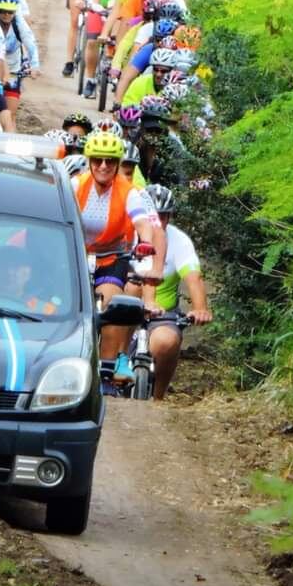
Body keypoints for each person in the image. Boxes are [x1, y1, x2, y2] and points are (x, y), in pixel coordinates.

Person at [73, 130, 164, 394]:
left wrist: (145, 243)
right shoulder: (76, 184)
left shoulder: (130, 191)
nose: (103, 166)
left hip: (112, 257)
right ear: (90, 161)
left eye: (110, 161)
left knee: (113, 302)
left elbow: (143, 221)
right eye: (98, 160)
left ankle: (106, 370)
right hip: (76, 256)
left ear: (117, 164)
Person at [135, 185, 212, 400]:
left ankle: (158, 398)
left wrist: (200, 308)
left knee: (167, 342)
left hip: (162, 315)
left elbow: (193, 277)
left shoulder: (179, 240)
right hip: (124, 310)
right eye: (152, 216)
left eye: (163, 217)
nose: (157, 223)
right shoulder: (124, 233)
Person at [0, 0, 39, 116]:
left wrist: (35, 65)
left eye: (10, 12)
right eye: (3, 11)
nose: (7, 15)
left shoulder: (18, 23)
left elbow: (30, 42)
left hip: (13, 70)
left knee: (10, 114)